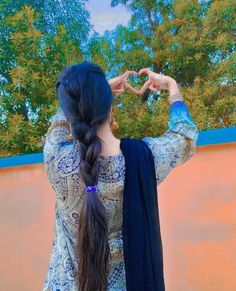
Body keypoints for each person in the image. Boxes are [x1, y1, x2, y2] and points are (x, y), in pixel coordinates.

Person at [42, 61, 199, 291]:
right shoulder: (145, 158)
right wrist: (172, 88)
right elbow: (184, 138)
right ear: (109, 106)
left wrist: (96, 90)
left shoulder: (56, 160)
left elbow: (60, 121)